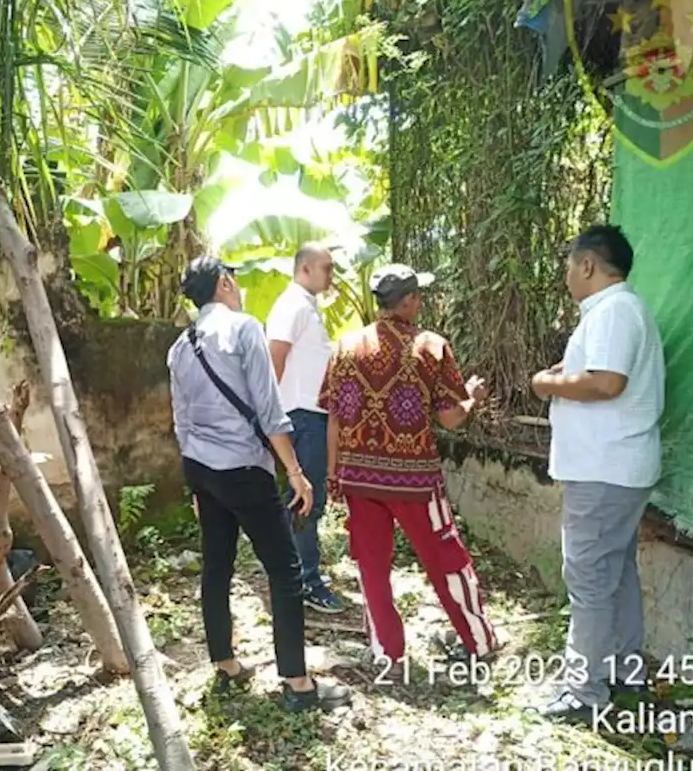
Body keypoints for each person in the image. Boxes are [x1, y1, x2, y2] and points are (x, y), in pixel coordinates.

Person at [168, 256, 351, 712]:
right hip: (244, 470)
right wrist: (294, 470)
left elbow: (181, 421)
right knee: (286, 572)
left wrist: (195, 484)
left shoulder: (179, 347)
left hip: (203, 470)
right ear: (225, 283)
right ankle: (297, 682)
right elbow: (269, 411)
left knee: (217, 566)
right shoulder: (245, 328)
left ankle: (226, 663)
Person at [320, 263, 498, 673]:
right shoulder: (430, 347)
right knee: (446, 557)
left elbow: (333, 418)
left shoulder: (344, 347)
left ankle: (388, 654)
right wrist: (472, 396)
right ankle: (479, 642)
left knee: (372, 566)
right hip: (416, 480)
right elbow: (451, 418)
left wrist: (334, 475)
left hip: (359, 479)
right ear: (411, 301)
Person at [530, 225, 664, 721]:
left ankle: (584, 692)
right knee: (616, 573)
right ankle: (625, 673)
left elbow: (607, 382)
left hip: (605, 467)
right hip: (618, 465)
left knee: (588, 577)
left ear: (587, 265)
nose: (567, 275)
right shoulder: (619, 312)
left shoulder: (614, 312)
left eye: (569, 265)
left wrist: (548, 384)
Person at [266, 243, 346, 614]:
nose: (331, 275)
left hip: (309, 415)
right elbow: (275, 356)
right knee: (305, 501)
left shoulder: (305, 307)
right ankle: (305, 582)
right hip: (299, 415)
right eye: (326, 268)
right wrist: (271, 411)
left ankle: (294, 574)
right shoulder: (293, 305)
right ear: (306, 269)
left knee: (301, 501)